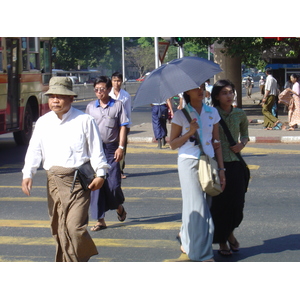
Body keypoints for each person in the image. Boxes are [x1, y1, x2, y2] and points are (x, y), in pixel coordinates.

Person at [21, 77, 110, 262]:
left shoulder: (85, 120)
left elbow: (96, 151)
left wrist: (101, 173)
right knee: (58, 228)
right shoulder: (43, 122)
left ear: (71, 98)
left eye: (60, 96)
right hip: (54, 182)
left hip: (78, 183)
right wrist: (28, 173)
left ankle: (80, 259)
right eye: (52, 96)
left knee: (74, 228)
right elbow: (34, 150)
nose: (55, 100)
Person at [169, 83, 225, 262]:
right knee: (197, 206)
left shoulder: (212, 112)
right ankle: (202, 254)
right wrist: (189, 132)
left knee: (203, 204)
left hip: (208, 162)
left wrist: (222, 170)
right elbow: (172, 144)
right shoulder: (181, 115)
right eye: (195, 88)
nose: (200, 90)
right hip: (188, 161)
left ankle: (186, 238)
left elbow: (217, 142)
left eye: (202, 87)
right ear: (186, 92)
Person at [210, 79, 249, 256]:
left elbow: (245, 135)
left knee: (237, 204)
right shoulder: (211, 113)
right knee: (220, 205)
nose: (229, 96)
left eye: (231, 92)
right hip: (217, 164)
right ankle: (223, 241)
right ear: (217, 96)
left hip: (235, 163)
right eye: (224, 93)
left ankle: (230, 232)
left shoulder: (240, 114)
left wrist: (242, 144)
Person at [86, 76, 129, 231]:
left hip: (112, 150)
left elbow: (123, 126)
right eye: (96, 89)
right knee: (97, 185)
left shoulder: (118, 106)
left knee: (113, 185)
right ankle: (100, 220)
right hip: (95, 150)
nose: (99, 92)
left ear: (109, 89)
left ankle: (119, 207)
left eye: (102, 89)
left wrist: (121, 147)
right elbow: (86, 130)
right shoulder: (91, 107)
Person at [109, 72, 132, 179]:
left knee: (122, 147)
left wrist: (128, 126)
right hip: (110, 125)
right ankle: (111, 169)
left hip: (122, 125)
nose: (116, 83)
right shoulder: (108, 94)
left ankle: (120, 170)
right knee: (110, 148)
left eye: (118, 81)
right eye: (114, 81)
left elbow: (128, 112)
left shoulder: (126, 96)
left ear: (121, 81)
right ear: (111, 81)